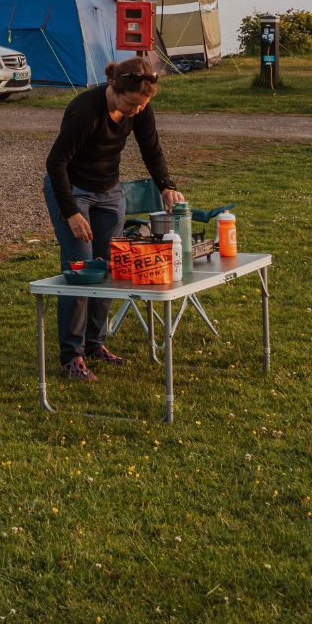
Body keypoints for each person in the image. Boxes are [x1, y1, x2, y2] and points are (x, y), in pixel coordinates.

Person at [43, 58, 182, 382]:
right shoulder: (85, 111)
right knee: (81, 270)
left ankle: (95, 344)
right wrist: (71, 212)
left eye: (143, 104)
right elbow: (56, 163)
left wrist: (166, 185)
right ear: (115, 89)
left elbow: (151, 149)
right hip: (73, 190)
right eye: (132, 103)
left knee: (109, 267)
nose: (136, 110)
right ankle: (71, 356)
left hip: (108, 191)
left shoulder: (140, 109)